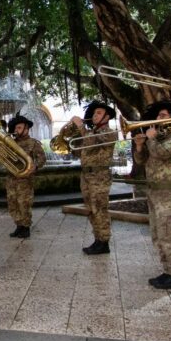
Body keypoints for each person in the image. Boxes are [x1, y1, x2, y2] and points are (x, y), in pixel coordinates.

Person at [131, 102, 171, 289]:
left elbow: (163, 153)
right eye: (158, 115)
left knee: (168, 234)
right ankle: (167, 271)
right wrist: (140, 146)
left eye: (163, 115)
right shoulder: (159, 138)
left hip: (170, 192)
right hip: (155, 191)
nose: (159, 118)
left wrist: (151, 139)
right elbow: (142, 161)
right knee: (158, 234)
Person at [60, 101, 116, 255]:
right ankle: (98, 239)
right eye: (94, 113)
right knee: (91, 210)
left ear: (107, 116)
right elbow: (80, 152)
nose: (94, 116)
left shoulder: (109, 132)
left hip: (100, 176)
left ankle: (104, 242)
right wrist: (69, 142)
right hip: (86, 176)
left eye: (98, 113)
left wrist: (80, 127)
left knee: (100, 209)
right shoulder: (90, 133)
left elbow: (91, 144)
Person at [5, 115, 47, 239]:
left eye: (19, 127)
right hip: (11, 179)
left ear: (26, 128)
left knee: (24, 204)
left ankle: (26, 227)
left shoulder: (33, 143)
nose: (17, 130)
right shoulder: (11, 143)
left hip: (25, 181)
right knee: (13, 204)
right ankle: (18, 226)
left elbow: (42, 159)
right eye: (15, 128)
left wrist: (35, 167)